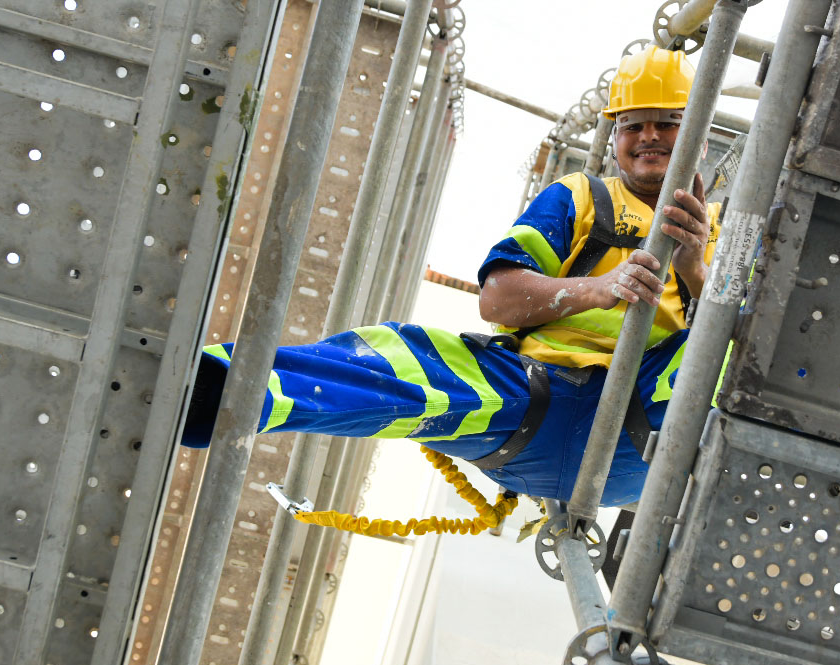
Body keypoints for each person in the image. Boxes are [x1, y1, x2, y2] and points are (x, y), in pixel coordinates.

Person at [181, 46, 719, 509]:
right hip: (532, 404)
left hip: (647, 425)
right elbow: (499, 301)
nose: (648, 136)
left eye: (667, 121)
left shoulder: (726, 232)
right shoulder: (581, 197)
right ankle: (226, 389)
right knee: (401, 354)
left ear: (696, 126)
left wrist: (693, 267)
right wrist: (597, 289)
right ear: (616, 134)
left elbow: (741, 352)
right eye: (632, 124)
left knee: (725, 345)